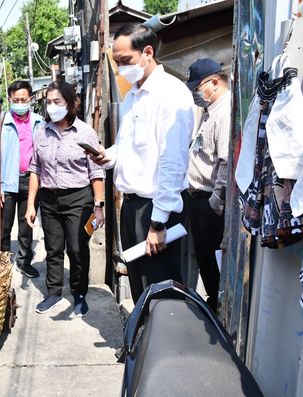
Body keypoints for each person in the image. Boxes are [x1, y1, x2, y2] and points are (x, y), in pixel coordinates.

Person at [89, 23, 195, 303]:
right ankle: (143, 342)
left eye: (126, 61)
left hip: (158, 208)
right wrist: (107, 155)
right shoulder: (132, 95)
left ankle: (165, 346)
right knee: (139, 282)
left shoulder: (171, 94)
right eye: (117, 62)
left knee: (162, 288)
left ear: (147, 52)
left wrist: (158, 223)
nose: (121, 68)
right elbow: (129, 146)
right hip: (133, 206)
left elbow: (173, 163)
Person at [25, 80, 106, 317]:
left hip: (78, 199)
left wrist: (98, 206)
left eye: (57, 102)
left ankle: (79, 294)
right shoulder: (41, 132)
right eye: (48, 102)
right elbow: (35, 169)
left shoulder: (85, 132)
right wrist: (31, 204)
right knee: (53, 248)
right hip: (49, 199)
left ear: (70, 104)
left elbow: (97, 172)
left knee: (78, 248)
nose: (51, 106)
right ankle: (53, 292)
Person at [185, 58, 230, 311]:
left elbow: (225, 163)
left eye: (197, 88)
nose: (195, 95)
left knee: (213, 262)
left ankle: (218, 307)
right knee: (204, 260)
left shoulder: (223, 113)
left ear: (214, 82)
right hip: (197, 199)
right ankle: (212, 303)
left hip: (209, 203)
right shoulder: (209, 111)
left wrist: (215, 202)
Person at [0, 80, 45, 278]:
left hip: (30, 180)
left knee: (26, 225)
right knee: (3, 226)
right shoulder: (0, 123)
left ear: (30, 99)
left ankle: (23, 262)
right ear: (9, 99)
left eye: (23, 99)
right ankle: (1, 261)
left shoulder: (39, 122)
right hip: (7, 181)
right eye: (16, 100)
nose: (20, 103)